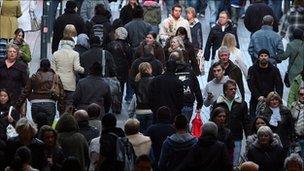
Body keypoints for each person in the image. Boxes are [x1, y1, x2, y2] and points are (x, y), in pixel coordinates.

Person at [213, 79, 251, 167]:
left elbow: (246, 121)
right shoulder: (218, 104)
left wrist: (249, 136)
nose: (234, 90)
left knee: (234, 164)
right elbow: (213, 120)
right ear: (225, 91)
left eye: (235, 89)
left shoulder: (242, 104)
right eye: (231, 89)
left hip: (236, 137)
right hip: (220, 137)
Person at [16, 59, 65, 125]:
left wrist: (18, 105)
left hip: (36, 104)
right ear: (50, 66)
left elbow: (25, 92)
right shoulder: (55, 77)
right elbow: (61, 93)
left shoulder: (34, 77)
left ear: (40, 66)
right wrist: (61, 108)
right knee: (48, 128)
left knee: (36, 127)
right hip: (50, 103)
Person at [247, 49, 283, 118]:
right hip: (255, 99)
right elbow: (251, 84)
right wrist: (258, 96)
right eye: (261, 56)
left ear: (268, 57)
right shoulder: (252, 69)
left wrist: (278, 98)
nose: (263, 57)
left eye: (265, 56)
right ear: (259, 57)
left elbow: (279, 85)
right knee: (254, 119)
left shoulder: (274, 70)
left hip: (271, 99)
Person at [169, 51, 203, 121]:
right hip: (187, 103)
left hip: (172, 104)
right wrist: (199, 103)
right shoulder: (189, 71)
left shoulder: (169, 72)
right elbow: (196, 87)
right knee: (185, 127)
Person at [51, 37, 84, 105]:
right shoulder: (75, 54)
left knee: (60, 103)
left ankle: (61, 114)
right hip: (70, 83)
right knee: (69, 103)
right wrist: (83, 70)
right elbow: (77, 68)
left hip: (59, 83)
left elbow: (52, 70)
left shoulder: (56, 54)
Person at [145, 106, 175, 170]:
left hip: (156, 159)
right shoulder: (173, 129)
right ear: (169, 116)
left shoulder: (151, 129)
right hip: (170, 161)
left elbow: (146, 145)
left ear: (157, 116)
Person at [106, 27, 133, 96]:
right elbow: (130, 60)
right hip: (123, 72)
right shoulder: (128, 46)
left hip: (111, 71)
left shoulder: (110, 45)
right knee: (120, 89)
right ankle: (119, 104)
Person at [132, 62, 154, 132]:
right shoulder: (153, 80)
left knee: (141, 132)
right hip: (150, 109)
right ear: (149, 69)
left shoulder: (137, 81)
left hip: (140, 109)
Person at [291, 87, 304, 158]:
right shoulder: (294, 105)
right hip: (295, 138)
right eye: (301, 94)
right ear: (298, 95)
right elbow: (290, 121)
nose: (303, 96)